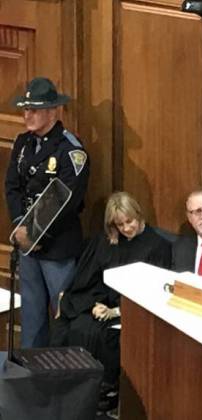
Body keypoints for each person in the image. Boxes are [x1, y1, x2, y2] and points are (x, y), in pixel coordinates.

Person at [49, 192, 171, 413]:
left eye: (129, 221)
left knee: (98, 334)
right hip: (102, 303)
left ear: (139, 215)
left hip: (132, 309)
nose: (126, 229)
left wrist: (116, 311)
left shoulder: (157, 246)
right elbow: (89, 279)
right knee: (70, 326)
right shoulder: (106, 241)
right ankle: (69, 389)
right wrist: (95, 303)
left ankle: (104, 391)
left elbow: (154, 291)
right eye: (119, 224)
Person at [5, 77, 90, 348]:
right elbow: (12, 186)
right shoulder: (23, 143)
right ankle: (31, 374)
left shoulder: (71, 151)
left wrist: (35, 233)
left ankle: (64, 374)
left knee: (62, 311)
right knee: (31, 314)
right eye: (25, 109)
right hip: (27, 242)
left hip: (56, 245)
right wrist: (21, 224)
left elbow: (66, 201)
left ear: (53, 111)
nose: (27, 115)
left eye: (34, 109)